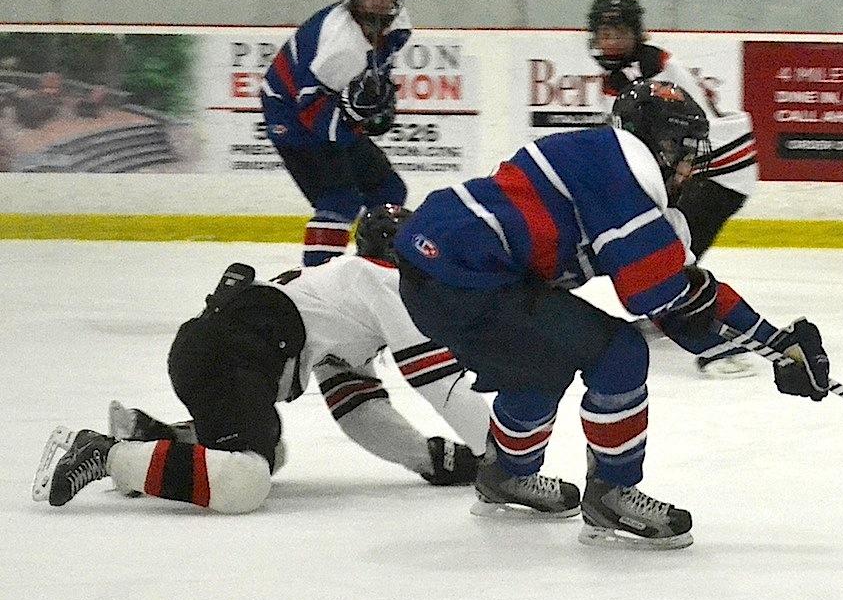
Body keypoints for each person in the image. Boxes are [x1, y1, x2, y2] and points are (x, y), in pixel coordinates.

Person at [393, 79, 830, 550]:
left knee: (538, 363)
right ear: (654, 142)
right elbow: (658, 298)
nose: (687, 167)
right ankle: (612, 495)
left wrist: (776, 345)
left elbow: (680, 300)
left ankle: (505, 474)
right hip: (466, 279)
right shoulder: (626, 170)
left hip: (439, 274)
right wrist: (773, 346)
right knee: (619, 353)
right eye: (680, 150)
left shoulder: (606, 161)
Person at [29, 205, 578, 518]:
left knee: (271, 450)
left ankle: (153, 438)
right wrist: (507, 459)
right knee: (245, 482)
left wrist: (433, 459)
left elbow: (357, 407)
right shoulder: (384, 284)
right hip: (231, 352)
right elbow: (439, 383)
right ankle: (106, 454)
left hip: (218, 351)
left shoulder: (344, 298)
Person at [587, 0, 760, 378]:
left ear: (636, 33)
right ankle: (674, 309)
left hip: (720, 167)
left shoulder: (657, 70)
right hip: (701, 164)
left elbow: (693, 128)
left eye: (618, 31)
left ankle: (723, 342)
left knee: (665, 250)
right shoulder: (624, 75)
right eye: (604, 32)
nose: (610, 40)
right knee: (667, 251)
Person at [261, 0, 411, 267]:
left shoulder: (396, 23)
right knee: (339, 201)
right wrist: (354, 116)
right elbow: (311, 112)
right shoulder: (340, 46)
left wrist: (374, 106)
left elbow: (375, 70)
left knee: (389, 190)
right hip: (287, 112)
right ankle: (318, 282)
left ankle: (371, 270)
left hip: (317, 103)